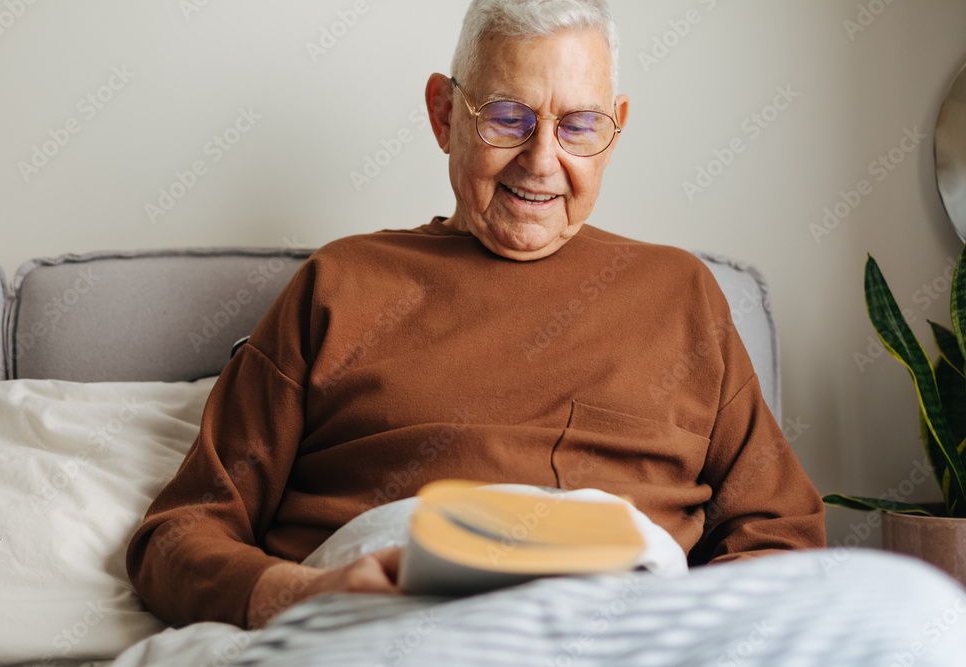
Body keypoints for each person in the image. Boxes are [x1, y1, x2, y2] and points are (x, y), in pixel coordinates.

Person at [126, 0, 825, 631]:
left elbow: (783, 530)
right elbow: (179, 535)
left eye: (579, 125)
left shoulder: (681, 293)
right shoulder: (339, 284)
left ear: (615, 130)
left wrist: (690, 625)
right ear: (443, 113)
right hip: (389, 623)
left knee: (920, 605)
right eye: (508, 119)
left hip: (626, 629)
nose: (542, 161)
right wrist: (305, 593)